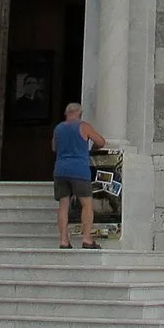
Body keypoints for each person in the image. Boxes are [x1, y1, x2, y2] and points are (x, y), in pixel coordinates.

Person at [53, 102, 106, 248]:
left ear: (66, 113)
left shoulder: (58, 128)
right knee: (87, 205)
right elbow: (101, 142)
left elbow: (54, 147)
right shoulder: (84, 126)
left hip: (60, 170)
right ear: (80, 113)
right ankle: (87, 239)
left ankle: (64, 241)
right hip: (79, 171)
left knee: (63, 206)